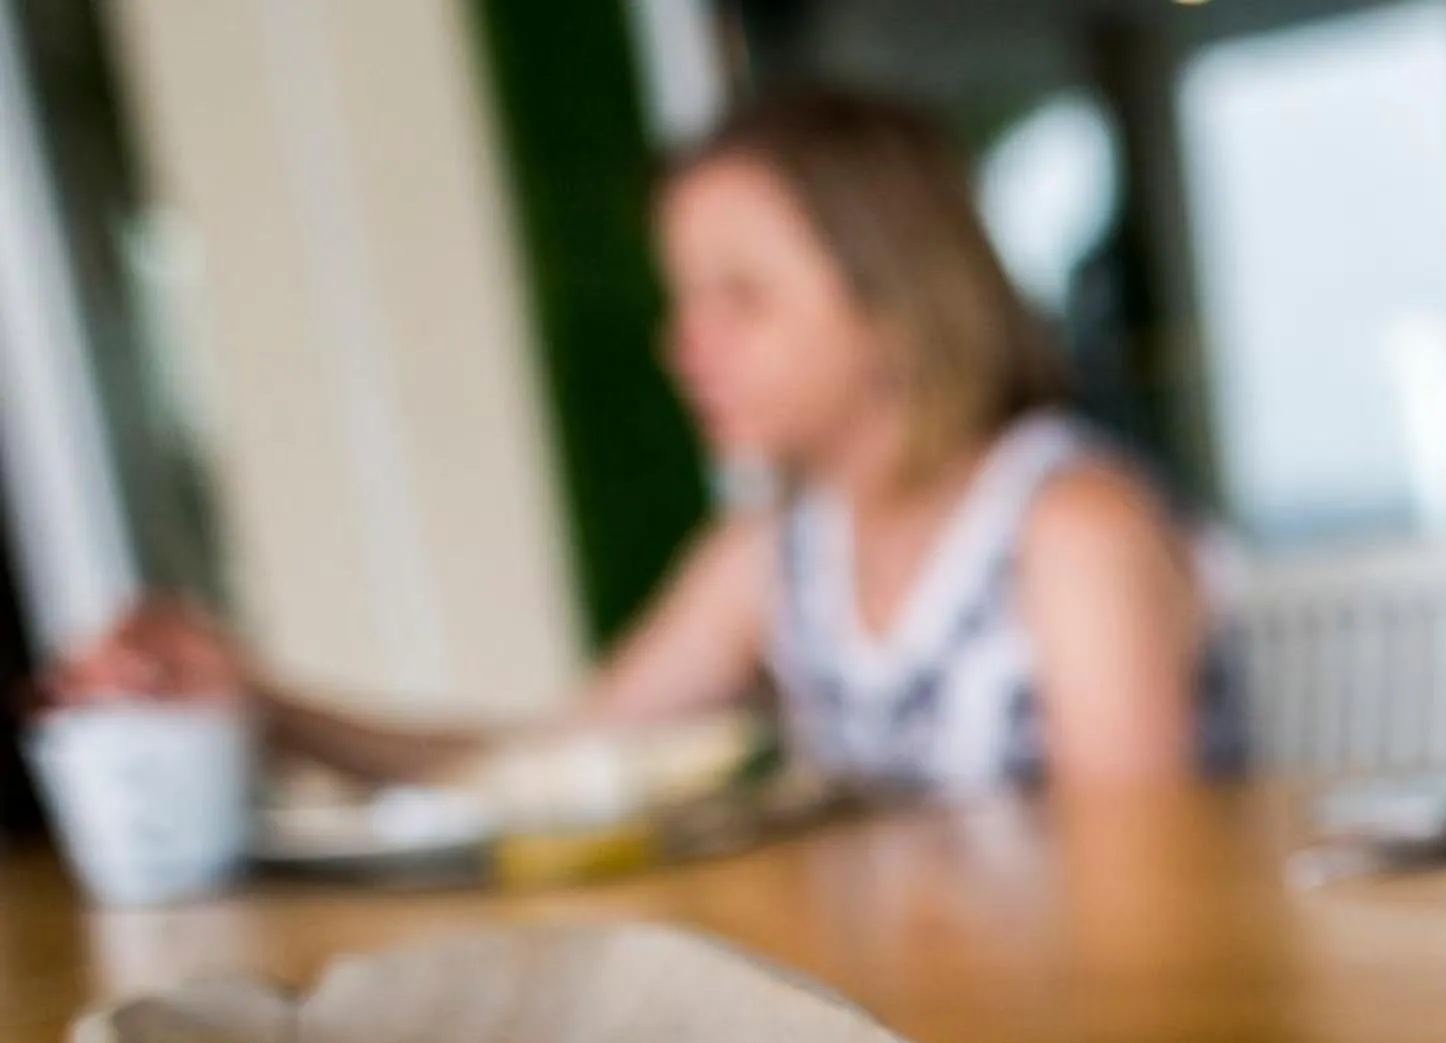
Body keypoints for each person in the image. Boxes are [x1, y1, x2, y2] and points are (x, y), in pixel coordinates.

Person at [52, 88, 1235, 792]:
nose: (688, 343)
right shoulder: (776, 555)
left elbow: (1141, 896)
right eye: (684, 299)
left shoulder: (1073, 525)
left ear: (892, 301)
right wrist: (266, 707)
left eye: (742, 296)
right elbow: (547, 769)